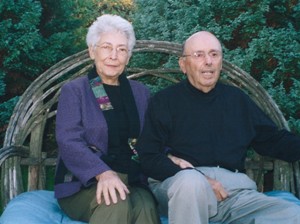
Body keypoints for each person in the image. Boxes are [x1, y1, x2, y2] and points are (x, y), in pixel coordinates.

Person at [136, 31, 300, 224]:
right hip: (179, 188)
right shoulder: (164, 101)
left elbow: (272, 140)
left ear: (221, 62)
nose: (208, 61)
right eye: (199, 55)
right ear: (183, 65)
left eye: (214, 54)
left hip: (233, 194)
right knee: (191, 184)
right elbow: (148, 157)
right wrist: (198, 178)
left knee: (292, 215)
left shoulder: (237, 99)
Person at [54, 14, 160, 224]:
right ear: (92, 51)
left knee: (146, 208)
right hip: (83, 183)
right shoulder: (75, 91)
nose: (114, 55)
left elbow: (152, 137)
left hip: (132, 180)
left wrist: (171, 157)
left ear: (128, 56)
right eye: (106, 47)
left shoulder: (140, 94)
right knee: (115, 202)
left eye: (121, 49)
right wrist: (102, 172)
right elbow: (69, 141)